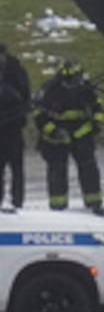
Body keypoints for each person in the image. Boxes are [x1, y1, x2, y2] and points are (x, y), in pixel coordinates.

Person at [33, 58, 104, 212]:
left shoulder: (86, 89)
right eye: (73, 78)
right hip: (57, 139)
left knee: (89, 170)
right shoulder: (50, 90)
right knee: (57, 172)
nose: (76, 81)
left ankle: (94, 203)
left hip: (82, 135)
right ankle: (57, 206)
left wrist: (94, 125)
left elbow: (98, 109)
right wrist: (55, 131)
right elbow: (39, 115)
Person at [0, 44, 30, 209]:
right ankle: (17, 201)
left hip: (11, 130)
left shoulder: (14, 72)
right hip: (13, 131)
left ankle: (17, 201)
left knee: (13, 169)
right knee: (16, 169)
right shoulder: (16, 68)